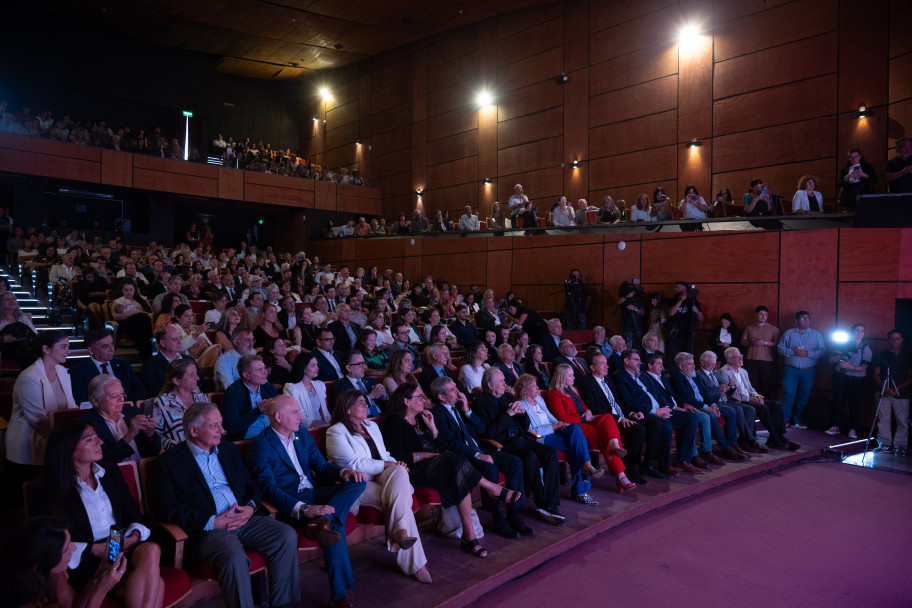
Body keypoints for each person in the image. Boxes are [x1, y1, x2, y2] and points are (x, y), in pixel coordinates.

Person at [150, 402, 301, 608]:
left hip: (244, 518)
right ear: (194, 430)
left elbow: (252, 486)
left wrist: (250, 507)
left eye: (221, 424)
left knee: (285, 535)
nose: (223, 430)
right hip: (208, 531)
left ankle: (283, 604)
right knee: (233, 554)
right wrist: (213, 522)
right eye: (214, 426)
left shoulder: (228, 450)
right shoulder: (168, 463)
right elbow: (166, 509)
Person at [379, 384, 520, 563]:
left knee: (458, 471)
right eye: (419, 397)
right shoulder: (394, 423)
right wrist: (428, 455)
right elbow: (396, 455)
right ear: (406, 401)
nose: (424, 400)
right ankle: (492, 489)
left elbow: (439, 446)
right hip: (412, 471)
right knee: (454, 460)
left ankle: (470, 537)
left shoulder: (423, 420)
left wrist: (433, 428)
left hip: (438, 464)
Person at [246, 396, 366, 604]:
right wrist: (305, 509)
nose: (301, 417)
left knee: (358, 481)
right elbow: (268, 490)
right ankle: (340, 596)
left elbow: (321, 467)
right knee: (335, 524)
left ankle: (324, 522)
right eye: (295, 412)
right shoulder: (261, 446)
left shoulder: (302, 434)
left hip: (315, 493)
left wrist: (343, 473)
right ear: (278, 416)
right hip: (292, 504)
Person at [35, 420, 164, 608]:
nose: (100, 442)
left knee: (151, 549)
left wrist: (134, 536)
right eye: (90, 439)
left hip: (121, 545)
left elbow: (133, 513)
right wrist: (93, 549)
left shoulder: (110, 471)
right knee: (157, 584)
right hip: (86, 559)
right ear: (69, 450)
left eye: (97, 436)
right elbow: (47, 540)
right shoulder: (49, 490)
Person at [429, 376, 531, 539]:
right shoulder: (438, 413)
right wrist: (477, 455)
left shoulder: (457, 409)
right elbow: (449, 443)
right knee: (490, 467)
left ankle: (513, 513)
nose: (458, 391)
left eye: (457, 387)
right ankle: (498, 519)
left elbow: (481, 429)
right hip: (462, 456)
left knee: (515, 462)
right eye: (453, 389)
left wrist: (467, 410)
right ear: (441, 396)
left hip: (478, 448)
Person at [471, 368, 564, 525]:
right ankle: (541, 504)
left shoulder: (507, 396)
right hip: (503, 444)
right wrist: (509, 414)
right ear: (489, 384)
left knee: (550, 452)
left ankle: (551, 503)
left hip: (521, 438)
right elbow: (489, 433)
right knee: (529, 457)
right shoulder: (481, 402)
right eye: (500, 381)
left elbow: (525, 424)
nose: (505, 384)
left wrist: (521, 413)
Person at [0, 516, 125, 608]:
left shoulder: (54, 573)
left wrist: (99, 574)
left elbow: (76, 605)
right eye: (66, 548)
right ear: (41, 564)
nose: (74, 548)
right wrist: (100, 591)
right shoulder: (25, 602)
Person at [548, 363, 637, 492]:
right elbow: (562, 419)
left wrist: (588, 411)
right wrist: (584, 417)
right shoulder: (555, 394)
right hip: (573, 427)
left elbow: (584, 407)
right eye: (570, 375)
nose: (574, 378)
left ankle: (615, 446)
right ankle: (621, 475)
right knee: (604, 436)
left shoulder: (572, 390)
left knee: (607, 417)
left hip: (586, 421)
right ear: (561, 377)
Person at [6, 331, 75, 479]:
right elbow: (38, 421)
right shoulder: (29, 377)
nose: (68, 351)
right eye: (63, 347)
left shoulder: (62, 371)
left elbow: (71, 407)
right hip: (30, 442)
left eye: (68, 346)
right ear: (46, 349)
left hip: (56, 438)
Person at [613, 350, 691, 477]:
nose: (640, 362)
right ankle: (655, 464)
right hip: (642, 413)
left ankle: (683, 458)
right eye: (636, 360)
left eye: (639, 359)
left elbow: (658, 393)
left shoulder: (642, 375)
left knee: (691, 418)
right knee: (662, 425)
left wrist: (665, 407)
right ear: (626, 361)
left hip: (660, 409)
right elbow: (628, 400)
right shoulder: (619, 376)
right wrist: (655, 411)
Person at [577, 352, 648, 482]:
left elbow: (617, 403)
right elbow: (594, 408)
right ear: (592, 367)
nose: (607, 366)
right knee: (639, 430)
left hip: (621, 416)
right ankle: (632, 470)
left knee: (648, 423)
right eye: (602, 363)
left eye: (606, 363)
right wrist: (619, 419)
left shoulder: (608, 379)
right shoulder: (585, 383)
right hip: (607, 421)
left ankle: (644, 465)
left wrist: (631, 413)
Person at [720, 347, 800, 450]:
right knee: (763, 408)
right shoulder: (724, 372)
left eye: (741, 356)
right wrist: (751, 399)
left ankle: (774, 438)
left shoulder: (743, 371)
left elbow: (750, 388)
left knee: (776, 405)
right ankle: (780, 438)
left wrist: (757, 396)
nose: (741, 359)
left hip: (751, 398)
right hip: (740, 401)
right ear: (729, 360)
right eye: (737, 357)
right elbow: (731, 394)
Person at [669, 352, 745, 462]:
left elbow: (705, 392)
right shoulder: (677, 377)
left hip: (705, 404)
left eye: (693, 363)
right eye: (690, 364)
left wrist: (713, 405)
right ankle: (715, 449)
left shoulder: (694, 374)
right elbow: (687, 397)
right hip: (693, 406)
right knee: (709, 415)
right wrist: (706, 406)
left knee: (731, 411)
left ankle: (732, 444)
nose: (694, 366)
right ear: (681, 366)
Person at [695, 351, 763, 454]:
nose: (713, 367)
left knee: (750, 409)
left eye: (714, 364)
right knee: (735, 410)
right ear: (703, 363)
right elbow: (703, 393)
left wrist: (731, 386)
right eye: (711, 364)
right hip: (714, 402)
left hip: (725, 400)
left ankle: (744, 441)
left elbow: (728, 391)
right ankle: (742, 441)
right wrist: (719, 389)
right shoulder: (698, 375)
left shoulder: (716, 373)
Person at [81, 375, 159, 463]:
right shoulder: (86, 425)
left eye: (122, 393)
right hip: (117, 474)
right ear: (95, 401)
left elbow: (154, 452)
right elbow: (103, 463)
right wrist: (130, 434)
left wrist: (150, 435)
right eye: (114, 396)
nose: (121, 399)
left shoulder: (133, 412)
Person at [70, 329, 145, 407]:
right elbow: (82, 400)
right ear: (91, 350)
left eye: (112, 344)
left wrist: (125, 405)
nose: (112, 349)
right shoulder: (78, 371)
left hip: (127, 408)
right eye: (106, 346)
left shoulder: (123, 365)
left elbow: (139, 388)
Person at [777, 310, 826, 427]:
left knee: (804, 395)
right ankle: (785, 419)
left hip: (808, 370)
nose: (806, 321)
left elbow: (823, 351)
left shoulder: (816, 334)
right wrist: (791, 352)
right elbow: (780, 347)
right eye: (803, 318)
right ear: (796, 320)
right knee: (788, 394)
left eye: (808, 318)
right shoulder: (788, 333)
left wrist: (807, 353)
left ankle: (799, 419)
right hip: (791, 370)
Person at [827, 324, 871, 438]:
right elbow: (830, 360)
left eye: (862, 331)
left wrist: (850, 367)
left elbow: (865, 367)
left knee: (854, 403)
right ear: (852, 332)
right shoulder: (841, 344)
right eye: (857, 330)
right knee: (838, 401)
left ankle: (853, 429)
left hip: (856, 379)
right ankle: (836, 425)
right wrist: (842, 352)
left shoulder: (865, 347)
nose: (859, 333)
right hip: (840, 376)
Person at [153, 359, 208, 451]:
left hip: (207, 450)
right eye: (192, 375)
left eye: (196, 373)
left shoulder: (203, 398)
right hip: (180, 454)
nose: (197, 378)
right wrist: (178, 445)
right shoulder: (161, 403)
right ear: (176, 380)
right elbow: (154, 438)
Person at [872, 330, 911, 455]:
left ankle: (900, 445)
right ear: (888, 340)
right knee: (883, 419)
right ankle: (884, 444)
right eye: (892, 339)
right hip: (884, 392)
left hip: (902, 393)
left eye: (898, 339)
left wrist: (896, 389)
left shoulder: (907, 356)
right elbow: (876, 374)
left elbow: (911, 376)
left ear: (902, 340)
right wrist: (885, 388)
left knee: (902, 420)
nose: (895, 341)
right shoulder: (882, 354)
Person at [221, 355, 278, 440]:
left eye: (264, 368)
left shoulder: (269, 388)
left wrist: (275, 407)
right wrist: (259, 410)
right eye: (259, 370)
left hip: (273, 434)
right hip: (249, 439)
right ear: (246, 375)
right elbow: (232, 427)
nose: (265, 372)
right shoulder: (233, 393)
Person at [141, 326, 208, 397]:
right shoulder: (150, 366)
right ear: (163, 343)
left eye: (180, 338)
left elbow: (203, 384)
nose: (180, 342)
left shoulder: (189, 359)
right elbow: (155, 393)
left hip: (199, 400)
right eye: (175, 339)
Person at [740, 305, 780, 399]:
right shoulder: (749, 328)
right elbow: (742, 342)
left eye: (765, 315)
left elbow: (778, 344)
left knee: (766, 385)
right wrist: (751, 342)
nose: (763, 316)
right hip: (751, 359)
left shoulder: (773, 329)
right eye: (761, 314)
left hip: (767, 361)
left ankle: (765, 407)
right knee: (751, 384)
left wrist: (764, 343)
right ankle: (753, 406)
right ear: (756, 315)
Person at [282, 352, 331, 429]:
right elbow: (299, 418)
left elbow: (326, 412)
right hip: (306, 429)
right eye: (313, 365)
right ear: (303, 368)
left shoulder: (320, 385)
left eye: (317, 365)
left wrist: (329, 424)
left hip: (325, 425)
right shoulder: (291, 388)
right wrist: (327, 424)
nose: (317, 368)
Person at [333, 350, 387, 417]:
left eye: (364, 363)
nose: (364, 367)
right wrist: (370, 397)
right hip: (362, 420)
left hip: (382, 416)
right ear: (349, 368)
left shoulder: (371, 381)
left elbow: (385, 406)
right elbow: (346, 409)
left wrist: (384, 396)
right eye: (360, 364)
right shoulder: (340, 386)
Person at [111, 280, 154, 359]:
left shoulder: (141, 300)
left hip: (143, 324)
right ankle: (145, 348)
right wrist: (136, 313)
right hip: (126, 324)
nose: (129, 292)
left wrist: (144, 302)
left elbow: (150, 312)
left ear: (135, 290)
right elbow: (116, 316)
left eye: (131, 290)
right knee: (141, 318)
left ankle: (146, 346)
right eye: (126, 290)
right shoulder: (118, 301)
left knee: (143, 319)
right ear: (122, 290)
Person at [664, 281, 702, 363]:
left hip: (688, 335)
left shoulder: (693, 301)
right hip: (674, 335)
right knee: (673, 358)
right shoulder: (673, 300)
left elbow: (701, 318)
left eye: (677, 287)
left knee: (687, 359)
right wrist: (680, 301)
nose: (675, 289)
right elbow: (671, 313)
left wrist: (697, 312)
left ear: (684, 288)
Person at [0, 291, 38, 367]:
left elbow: (35, 334)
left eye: (14, 299)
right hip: (6, 348)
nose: (12, 301)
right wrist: (2, 339)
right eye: (7, 299)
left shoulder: (23, 317)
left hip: (25, 346)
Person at [617, 281, 645, 350]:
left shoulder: (638, 300)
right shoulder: (625, 300)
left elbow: (642, 312)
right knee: (627, 348)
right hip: (627, 328)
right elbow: (618, 302)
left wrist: (634, 309)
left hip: (637, 327)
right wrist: (627, 297)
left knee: (638, 347)